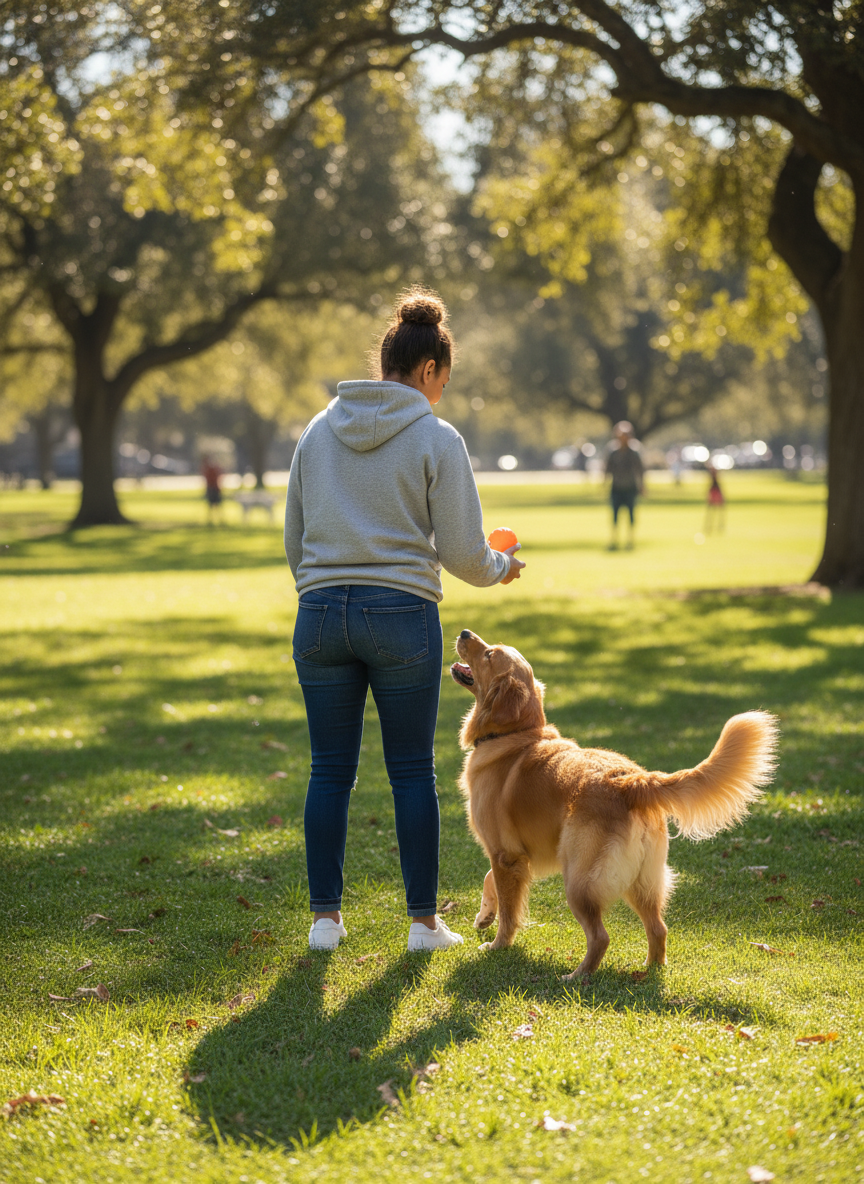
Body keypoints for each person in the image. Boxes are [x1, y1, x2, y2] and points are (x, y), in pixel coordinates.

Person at [284, 288, 525, 953]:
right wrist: (502, 566)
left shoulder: (317, 429)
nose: (441, 394)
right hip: (401, 615)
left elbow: (294, 535)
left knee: (328, 771)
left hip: (322, 613)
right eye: (443, 381)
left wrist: (323, 591)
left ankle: (324, 922)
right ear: (427, 371)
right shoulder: (435, 436)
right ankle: (423, 925)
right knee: (412, 772)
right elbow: (461, 554)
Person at [605, 420, 644, 549]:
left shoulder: (634, 451)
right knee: (615, 516)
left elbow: (640, 469)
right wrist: (604, 482)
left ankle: (630, 540)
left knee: (631, 515)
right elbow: (608, 468)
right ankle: (614, 540)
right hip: (616, 487)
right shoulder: (613, 451)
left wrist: (642, 486)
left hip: (630, 488)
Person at [201, 454, 223, 526]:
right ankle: (211, 520)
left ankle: (219, 519)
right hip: (212, 489)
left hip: (213, 489)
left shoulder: (211, 469)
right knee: (212, 506)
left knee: (216, 505)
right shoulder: (209, 469)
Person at [704, 463, 726, 534]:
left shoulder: (714, 477)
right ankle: (711, 527)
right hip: (714, 491)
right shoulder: (713, 477)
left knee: (716, 511)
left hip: (715, 491)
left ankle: (718, 527)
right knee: (713, 511)